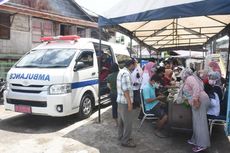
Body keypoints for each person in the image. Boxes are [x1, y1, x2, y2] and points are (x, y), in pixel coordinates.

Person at [180, 68, 210, 152]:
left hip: (200, 101)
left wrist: (195, 99)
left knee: (200, 123)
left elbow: (196, 88)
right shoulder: (191, 78)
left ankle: (202, 144)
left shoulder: (189, 78)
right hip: (198, 101)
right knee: (197, 122)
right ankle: (195, 140)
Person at [116, 59, 136, 148]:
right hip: (124, 102)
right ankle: (125, 141)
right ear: (131, 65)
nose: (135, 66)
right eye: (135, 64)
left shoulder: (121, 72)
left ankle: (121, 137)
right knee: (128, 123)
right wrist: (129, 104)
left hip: (120, 101)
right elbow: (126, 90)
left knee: (121, 122)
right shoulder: (126, 74)